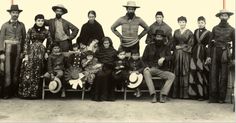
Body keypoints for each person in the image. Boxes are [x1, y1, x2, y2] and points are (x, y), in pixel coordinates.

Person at [18, 14, 52, 99]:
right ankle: (26, 93)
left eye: (42, 21)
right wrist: (26, 54)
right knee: (28, 70)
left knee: (37, 71)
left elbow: (50, 42)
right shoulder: (30, 30)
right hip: (31, 51)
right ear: (35, 21)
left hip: (41, 52)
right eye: (38, 20)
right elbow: (26, 42)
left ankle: (34, 94)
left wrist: (47, 52)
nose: (40, 22)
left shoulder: (46, 31)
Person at [206, 9, 235, 103]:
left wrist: (234, 58)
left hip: (225, 53)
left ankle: (222, 98)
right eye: (222, 16)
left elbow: (235, 45)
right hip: (214, 52)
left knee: (224, 76)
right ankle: (213, 97)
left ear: (228, 17)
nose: (223, 17)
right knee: (213, 74)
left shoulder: (232, 29)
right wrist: (208, 56)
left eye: (225, 16)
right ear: (219, 17)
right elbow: (210, 43)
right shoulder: (214, 28)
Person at [0, 5, 26, 99]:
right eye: (13, 12)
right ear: (10, 13)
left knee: (16, 71)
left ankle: (15, 92)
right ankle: (6, 93)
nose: (15, 14)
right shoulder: (4, 25)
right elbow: (1, 39)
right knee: (7, 71)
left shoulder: (22, 25)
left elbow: (24, 39)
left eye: (17, 13)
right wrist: (1, 53)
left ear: (19, 14)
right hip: (7, 50)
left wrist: (23, 51)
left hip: (18, 49)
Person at [142, 29, 175, 103]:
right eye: (157, 36)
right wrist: (146, 66)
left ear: (163, 38)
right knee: (146, 72)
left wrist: (164, 58)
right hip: (151, 68)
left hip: (162, 69)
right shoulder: (148, 47)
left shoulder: (166, 47)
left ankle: (163, 94)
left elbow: (171, 57)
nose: (159, 38)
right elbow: (143, 59)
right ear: (155, 37)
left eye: (160, 37)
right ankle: (153, 94)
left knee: (172, 76)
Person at [189, 16, 211, 100]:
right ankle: (195, 94)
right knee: (194, 72)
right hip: (195, 53)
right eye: (199, 22)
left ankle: (203, 95)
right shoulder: (195, 31)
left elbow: (209, 45)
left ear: (205, 23)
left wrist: (208, 56)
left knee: (202, 72)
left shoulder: (208, 32)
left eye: (202, 22)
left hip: (203, 53)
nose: (200, 24)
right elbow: (194, 43)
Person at [171, 16, 194, 99]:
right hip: (177, 54)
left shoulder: (189, 32)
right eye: (180, 22)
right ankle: (175, 93)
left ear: (186, 22)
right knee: (177, 70)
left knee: (185, 70)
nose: (182, 24)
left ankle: (185, 94)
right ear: (178, 23)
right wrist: (174, 47)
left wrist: (181, 47)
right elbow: (173, 42)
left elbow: (191, 44)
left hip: (185, 54)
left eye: (183, 22)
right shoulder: (176, 32)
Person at [92, 37, 117, 101]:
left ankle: (107, 97)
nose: (106, 45)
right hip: (100, 68)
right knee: (99, 75)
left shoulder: (113, 51)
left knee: (108, 75)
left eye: (107, 43)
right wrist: (98, 65)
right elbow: (95, 60)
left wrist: (105, 64)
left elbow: (115, 62)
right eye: (104, 43)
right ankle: (98, 96)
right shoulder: (99, 51)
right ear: (102, 44)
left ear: (110, 43)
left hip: (110, 68)